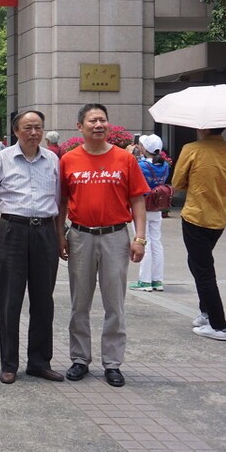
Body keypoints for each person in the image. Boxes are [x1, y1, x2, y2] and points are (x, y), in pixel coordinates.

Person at [57, 104, 149, 388]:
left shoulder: (125, 159)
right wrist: (60, 234)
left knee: (114, 303)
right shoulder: (68, 160)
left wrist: (140, 238)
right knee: (79, 303)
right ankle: (80, 359)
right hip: (80, 236)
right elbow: (60, 202)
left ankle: (112, 363)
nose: (99, 124)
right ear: (80, 127)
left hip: (115, 237)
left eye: (103, 120)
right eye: (92, 120)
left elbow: (137, 201)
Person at [0, 110, 63, 384]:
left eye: (38, 127)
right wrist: (4, 228)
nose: (33, 133)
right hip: (11, 231)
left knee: (44, 300)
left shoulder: (52, 160)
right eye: (27, 127)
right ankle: (9, 363)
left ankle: (39, 362)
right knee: (9, 300)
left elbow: (58, 199)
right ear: (15, 131)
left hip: (45, 231)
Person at [170, 127, 226, 342]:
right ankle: (205, 313)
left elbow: (177, 182)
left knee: (203, 270)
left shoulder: (191, 149)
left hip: (196, 215)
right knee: (197, 262)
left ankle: (217, 324)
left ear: (203, 127)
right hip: (220, 217)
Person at [129, 134, 170, 292]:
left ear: (144, 148)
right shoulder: (164, 165)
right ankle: (157, 280)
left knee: (143, 241)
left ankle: (145, 281)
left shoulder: (140, 165)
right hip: (157, 207)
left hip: (142, 207)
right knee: (156, 243)